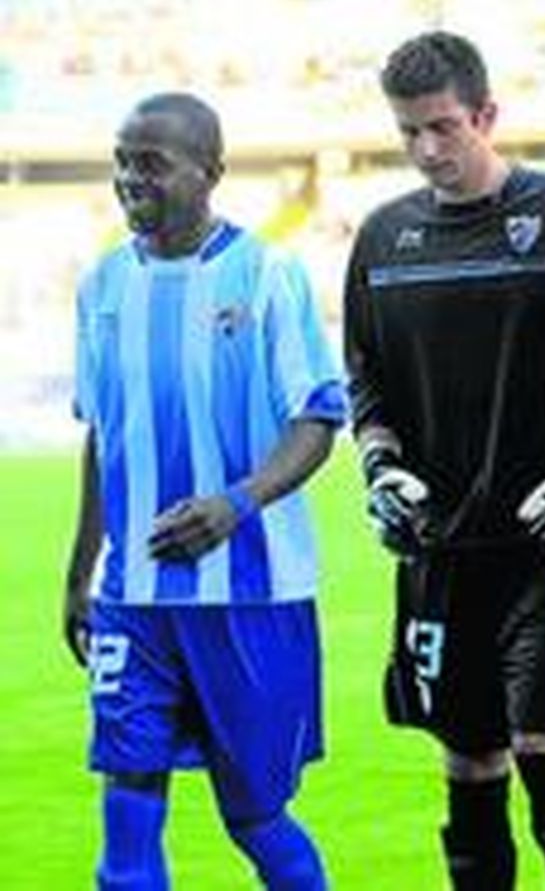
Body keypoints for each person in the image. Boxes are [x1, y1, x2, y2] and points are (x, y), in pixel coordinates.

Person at [343, 31, 545, 891]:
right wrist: (380, 465)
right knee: (469, 770)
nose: (428, 150)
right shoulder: (385, 236)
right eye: (408, 133)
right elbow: (364, 380)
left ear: (487, 115)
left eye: (443, 127)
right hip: (439, 555)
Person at [62, 92, 344, 890]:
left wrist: (236, 503)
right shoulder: (102, 284)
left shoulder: (266, 276)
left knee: (252, 814)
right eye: (121, 162)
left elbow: (318, 419)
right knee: (127, 805)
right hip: (136, 593)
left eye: (150, 163)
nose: (129, 180)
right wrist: (83, 568)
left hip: (251, 594)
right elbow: (102, 432)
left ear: (209, 172)